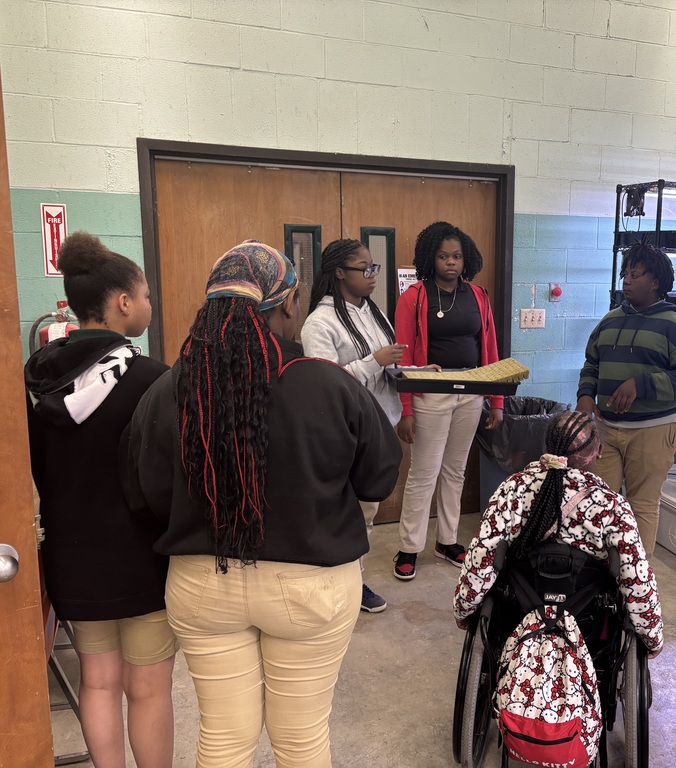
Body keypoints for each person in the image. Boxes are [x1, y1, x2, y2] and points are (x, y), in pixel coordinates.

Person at [123, 240, 402, 767]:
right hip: (311, 588)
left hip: (203, 584)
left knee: (225, 739)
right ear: (286, 304)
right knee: (300, 741)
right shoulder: (329, 385)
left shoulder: (169, 388)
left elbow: (146, 492)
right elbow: (378, 479)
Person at [25, 231, 175, 768]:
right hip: (142, 560)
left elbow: (37, 475)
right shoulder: (155, 381)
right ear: (123, 302)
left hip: (72, 557)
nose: (150, 307)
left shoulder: (40, 383)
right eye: (147, 296)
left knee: (98, 683)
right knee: (151, 688)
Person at [454, 410, 663, 657]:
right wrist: (652, 637)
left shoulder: (512, 490)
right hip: (589, 630)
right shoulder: (611, 506)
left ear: (547, 447)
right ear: (598, 452)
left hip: (517, 618)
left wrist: (465, 608)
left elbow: (482, 557)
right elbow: (636, 580)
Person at [576, 241, 676, 555]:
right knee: (601, 502)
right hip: (606, 428)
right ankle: (603, 577)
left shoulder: (675, 327)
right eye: (626, 274)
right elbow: (592, 362)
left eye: (636, 275)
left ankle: (636, 583)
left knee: (641, 505)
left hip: (654, 429)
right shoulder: (609, 321)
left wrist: (641, 384)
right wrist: (585, 395)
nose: (627, 281)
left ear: (656, 283)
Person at [301, 237, 409, 614]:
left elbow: (385, 368)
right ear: (340, 273)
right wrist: (374, 361)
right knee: (351, 513)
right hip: (345, 432)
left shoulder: (371, 312)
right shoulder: (320, 323)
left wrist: (411, 372)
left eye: (373, 267)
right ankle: (348, 584)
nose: (372, 274)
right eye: (364, 268)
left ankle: (351, 578)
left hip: (380, 427)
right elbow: (323, 384)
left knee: (368, 511)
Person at [392, 221, 504, 581]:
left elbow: (490, 350)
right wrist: (405, 409)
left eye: (456, 256)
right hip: (430, 395)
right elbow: (404, 357)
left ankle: (448, 540)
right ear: (430, 258)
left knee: (456, 471)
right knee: (424, 472)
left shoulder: (479, 296)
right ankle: (409, 547)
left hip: (470, 393)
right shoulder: (414, 297)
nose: (450, 263)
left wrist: (496, 400)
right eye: (443, 256)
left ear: (466, 259)